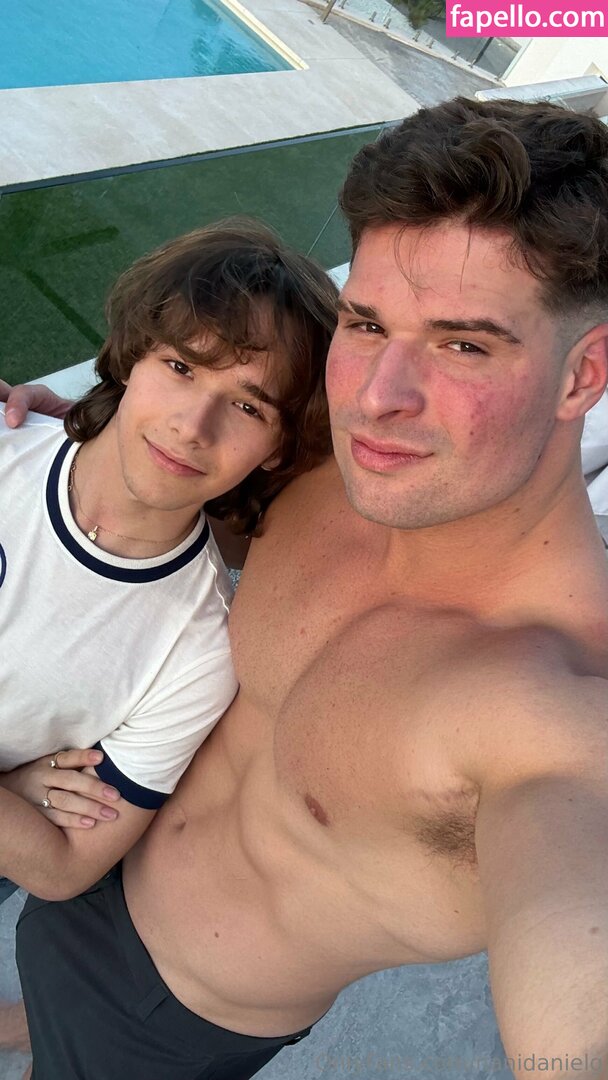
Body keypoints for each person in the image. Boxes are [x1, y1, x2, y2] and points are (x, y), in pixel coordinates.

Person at [4, 96, 608, 1080]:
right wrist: (74, 432)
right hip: (89, 844)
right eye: (366, 322)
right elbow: (187, 463)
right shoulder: (338, 469)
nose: (377, 396)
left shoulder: (559, 711)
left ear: (583, 374)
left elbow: (577, 974)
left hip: (168, 1019)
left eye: (462, 344)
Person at [0, 219, 336, 1055]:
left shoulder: (199, 652)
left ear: (277, 450)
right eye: (181, 367)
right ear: (131, 357)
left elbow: (62, 864)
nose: (193, 424)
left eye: (249, 405)